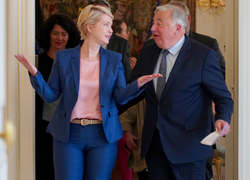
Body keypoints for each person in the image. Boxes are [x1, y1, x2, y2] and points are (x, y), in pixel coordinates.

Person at [15, 5, 161, 179]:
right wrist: (35, 74)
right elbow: (50, 95)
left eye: (111, 25)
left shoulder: (114, 60)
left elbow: (120, 97)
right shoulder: (64, 57)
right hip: (68, 134)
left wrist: (137, 84)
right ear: (90, 27)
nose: (110, 30)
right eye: (106, 24)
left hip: (103, 135)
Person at [123, 4, 233, 180]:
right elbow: (136, 90)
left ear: (178, 28)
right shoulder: (148, 51)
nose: (152, 28)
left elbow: (223, 97)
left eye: (159, 23)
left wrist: (222, 118)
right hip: (155, 146)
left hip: (189, 146)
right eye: (153, 23)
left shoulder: (203, 55)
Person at [35, 13, 80, 180]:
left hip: (70, 127)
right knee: (45, 170)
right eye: (55, 33)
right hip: (43, 127)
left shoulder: (75, 62)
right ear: (48, 35)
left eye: (64, 34)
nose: (59, 38)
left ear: (70, 37)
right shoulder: (37, 62)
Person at [110, 19, 136, 180]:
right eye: (125, 31)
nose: (128, 34)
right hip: (117, 111)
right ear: (117, 34)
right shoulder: (120, 50)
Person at [89, 0, 132, 83]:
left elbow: (126, 77)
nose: (100, 18)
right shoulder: (78, 41)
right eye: (96, 14)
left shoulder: (121, 44)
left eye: (104, 13)